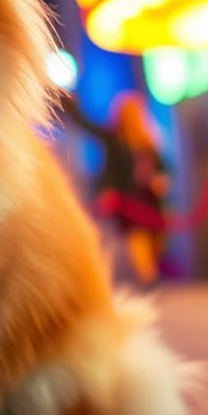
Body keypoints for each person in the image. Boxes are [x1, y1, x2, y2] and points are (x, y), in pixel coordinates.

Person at [61, 89, 170, 285]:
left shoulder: (148, 140)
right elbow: (87, 125)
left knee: (154, 241)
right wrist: (69, 103)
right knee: (136, 236)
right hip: (129, 199)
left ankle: (148, 272)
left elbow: (163, 167)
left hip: (150, 200)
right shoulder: (114, 138)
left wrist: (161, 179)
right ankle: (148, 276)